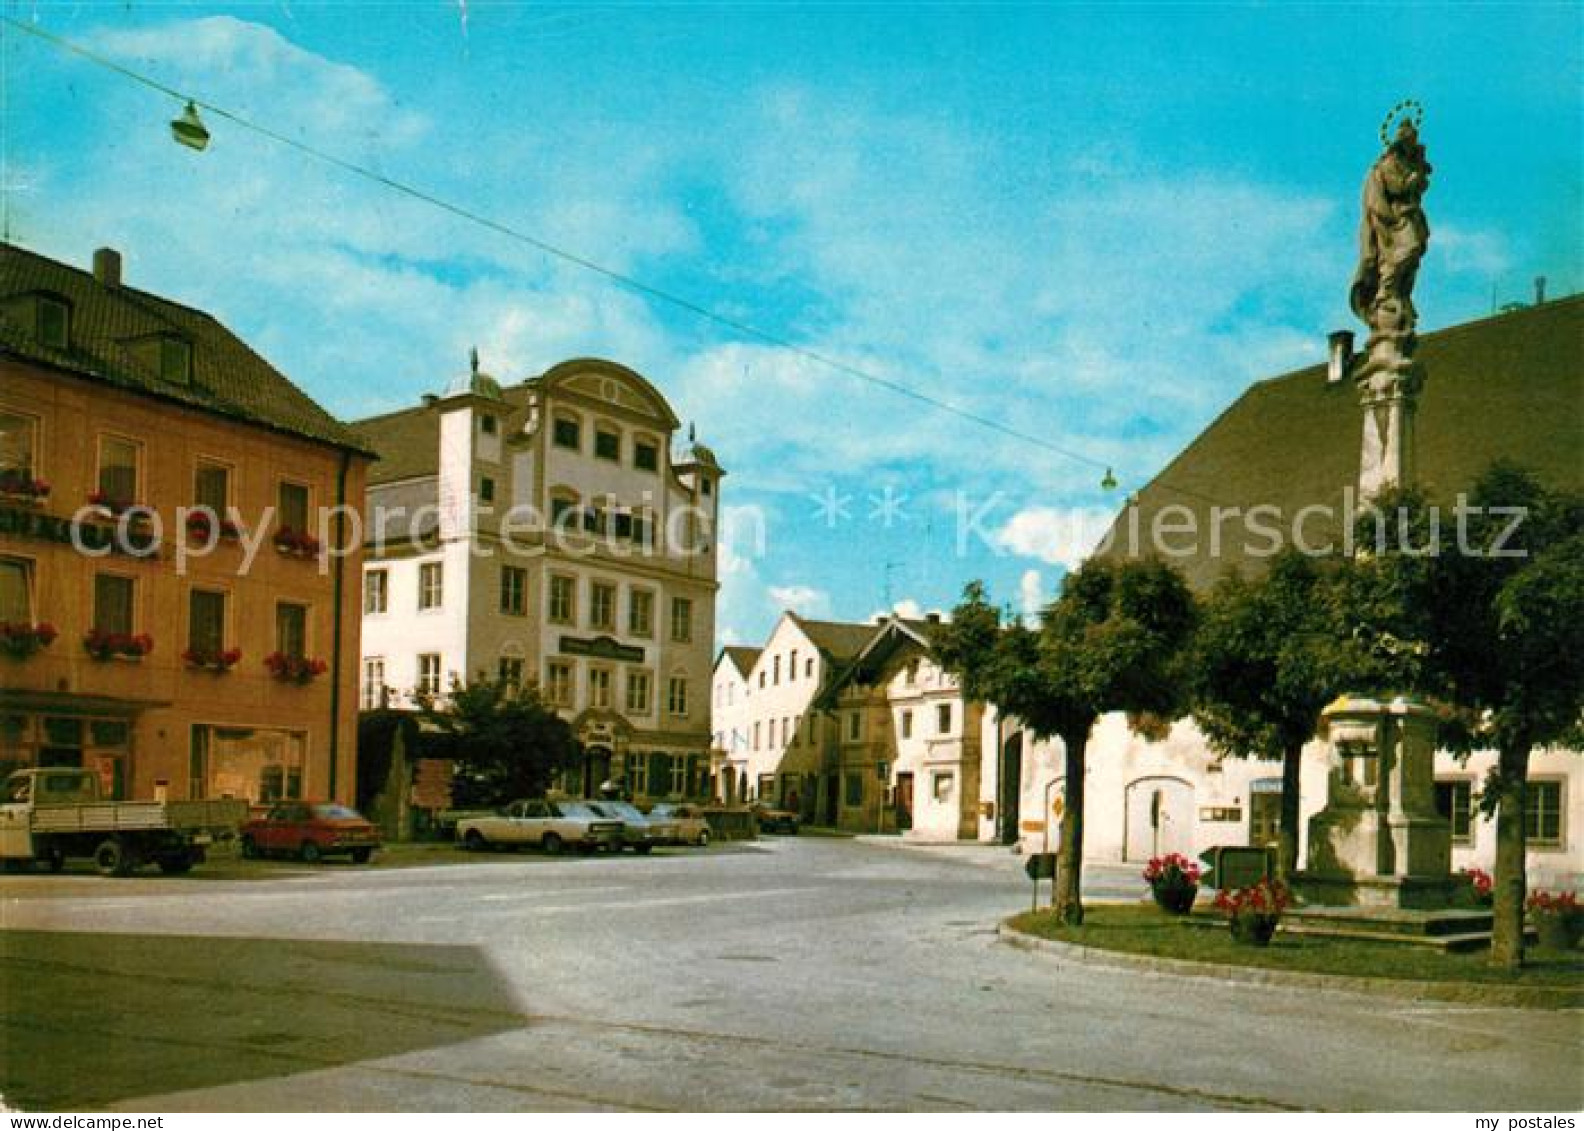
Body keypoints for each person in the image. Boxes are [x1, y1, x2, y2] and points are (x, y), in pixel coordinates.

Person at [1350, 118, 1432, 334]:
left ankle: (1399, 293)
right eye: (1408, 140)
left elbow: (1421, 186)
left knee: (1412, 260)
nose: (1411, 144)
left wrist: (1419, 177)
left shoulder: (1410, 162)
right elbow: (1395, 188)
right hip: (1395, 218)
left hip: (1410, 214)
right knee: (1409, 248)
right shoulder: (1389, 163)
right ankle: (1386, 291)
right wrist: (1411, 180)